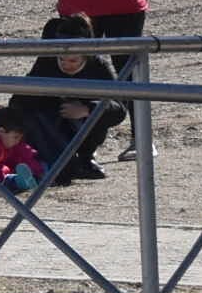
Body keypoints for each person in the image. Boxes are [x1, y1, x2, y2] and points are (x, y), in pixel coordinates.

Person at [12, 12, 127, 180]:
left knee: (99, 113)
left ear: (86, 56)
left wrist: (87, 109)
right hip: (52, 126)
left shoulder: (99, 66)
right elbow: (18, 101)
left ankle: (85, 158)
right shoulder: (47, 62)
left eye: (73, 61)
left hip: (85, 129)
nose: (66, 65)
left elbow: (120, 110)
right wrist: (50, 95)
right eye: (62, 59)